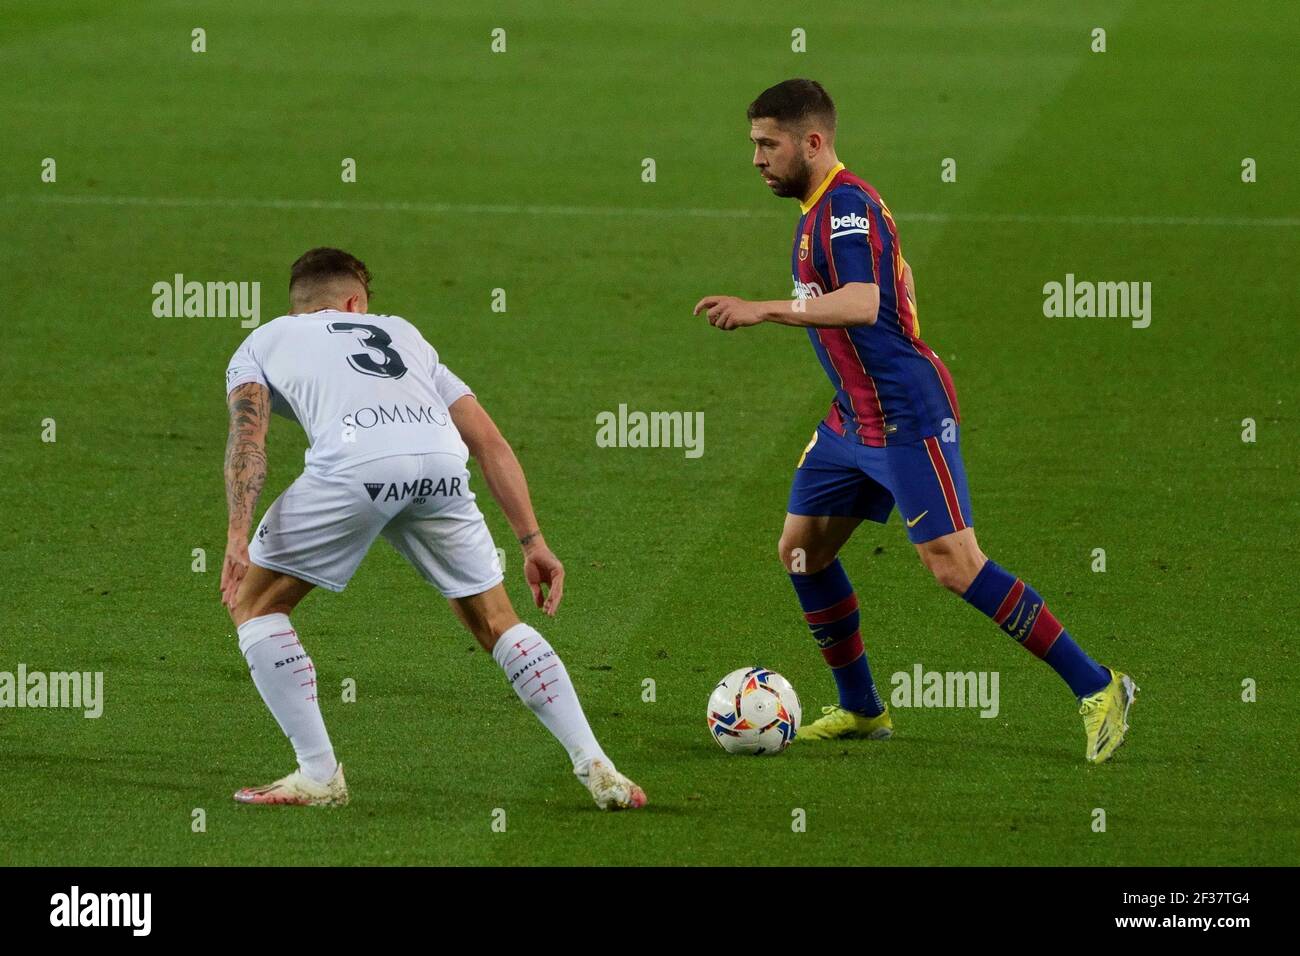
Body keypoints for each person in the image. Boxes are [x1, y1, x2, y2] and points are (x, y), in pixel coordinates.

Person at [692, 79, 1136, 762]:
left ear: (812, 142)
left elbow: (865, 302)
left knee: (956, 565)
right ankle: (862, 710)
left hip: (905, 414)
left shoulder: (845, 206)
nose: (757, 158)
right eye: (754, 143)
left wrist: (766, 308)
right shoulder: (816, 208)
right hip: (853, 419)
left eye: (767, 144)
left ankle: (1100, 685)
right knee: (802, 553)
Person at [221, 247, 646, 807]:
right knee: (497, 621)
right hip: (440, 465)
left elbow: (249, 438)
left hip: (356, 469)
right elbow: (488, 442)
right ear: (354, 302)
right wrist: (532, 541)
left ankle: (319, 774)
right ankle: (597, 764)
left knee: (255, 606)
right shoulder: (403, 333)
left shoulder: (262, 341)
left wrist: (236, 532)